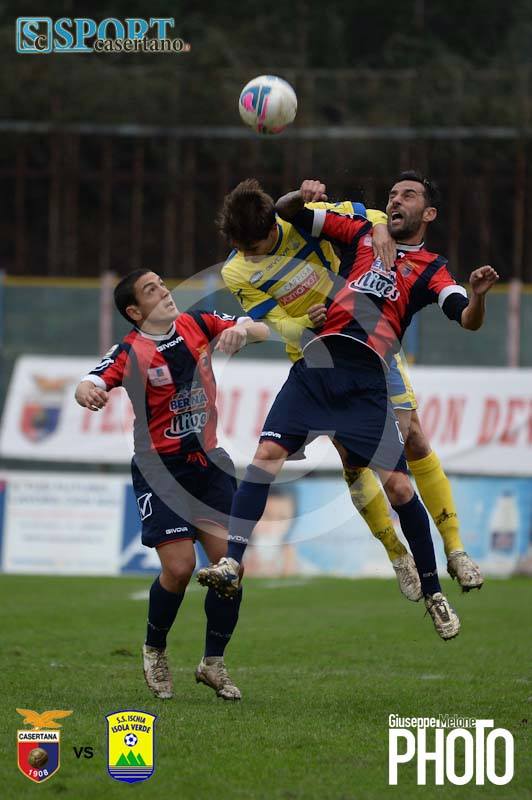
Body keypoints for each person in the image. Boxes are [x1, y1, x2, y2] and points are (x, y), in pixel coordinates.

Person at [199, 173, 499, 640]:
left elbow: (464, 317)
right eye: (393, 194)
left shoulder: (431, 268)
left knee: (403, 475)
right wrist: (307, 199)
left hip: (367, 373)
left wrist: (477, 298)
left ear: (428, 212)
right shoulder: (358, 233)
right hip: (314, 364)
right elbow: (293, 210)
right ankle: (232, 564)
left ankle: (440, 578)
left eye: (408, 195)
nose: (395, 199)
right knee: (267, 462)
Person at [219, 179, 421, 601]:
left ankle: (451, 550)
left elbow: (373, 218)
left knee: (411, 439)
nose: (247, 256)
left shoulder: (304, 219)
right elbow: (271, 322)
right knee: (350, 462)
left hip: (370, 342)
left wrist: (380, 228)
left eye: (254, 247)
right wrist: (309, 322)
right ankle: (396, 553)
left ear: (273, 227)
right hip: (315, 357)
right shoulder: (236, 269)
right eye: (241, 248)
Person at [75, 269, 269, 701]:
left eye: (161, 283)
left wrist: (243, 330)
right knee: (179, 568)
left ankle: (212, 663)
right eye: (151, 290)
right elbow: (91, 379)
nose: (164, 291)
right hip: (160, 470)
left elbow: (257, 325)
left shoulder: (197, 322)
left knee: (230, 571)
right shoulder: (129, 352)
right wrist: (86, 391)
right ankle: (155, 648)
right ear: (134, 311)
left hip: (211, 465)